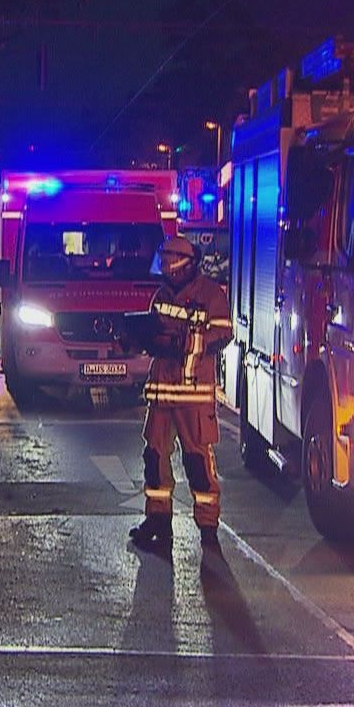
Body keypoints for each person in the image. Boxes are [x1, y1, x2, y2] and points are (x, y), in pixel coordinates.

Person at [127, 236, 233, 551]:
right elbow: (154, 331)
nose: (169, 271)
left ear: (185, 264)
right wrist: (134, 339)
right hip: (162, 394)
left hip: (193, 396)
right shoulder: (161, 296)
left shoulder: (211, 294)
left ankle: (208, 529)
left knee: (198, 463)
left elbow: (222, 333)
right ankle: (158, 522)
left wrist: (183, 341)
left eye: (172, 264)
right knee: (155, 458)